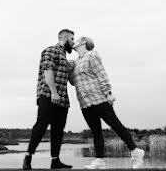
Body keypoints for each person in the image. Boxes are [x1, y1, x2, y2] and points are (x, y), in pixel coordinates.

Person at [70, 37, 145, 169]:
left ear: (83, 42)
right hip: (84, 102)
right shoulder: (76, 62)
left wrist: (108, 93)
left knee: (115, 125)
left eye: (76, 40)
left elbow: (101, 74)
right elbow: (73, 82)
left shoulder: (92, 55)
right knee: (95, 131)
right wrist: (69, 70)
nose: (73, 42)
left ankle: (135, 152)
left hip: (98, 98)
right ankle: (99, 160)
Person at [23, 29, 75, 170]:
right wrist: (53, 92)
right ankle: (28, 157)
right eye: (72, 39)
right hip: (48, 94)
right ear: (64, 38)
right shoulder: (51, 50)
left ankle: (55, 160)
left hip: (63, 99)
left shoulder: (64, 57)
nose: (73, 42)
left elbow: (72, 81)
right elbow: (48, 70)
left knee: (58, 130)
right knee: (41, 125)